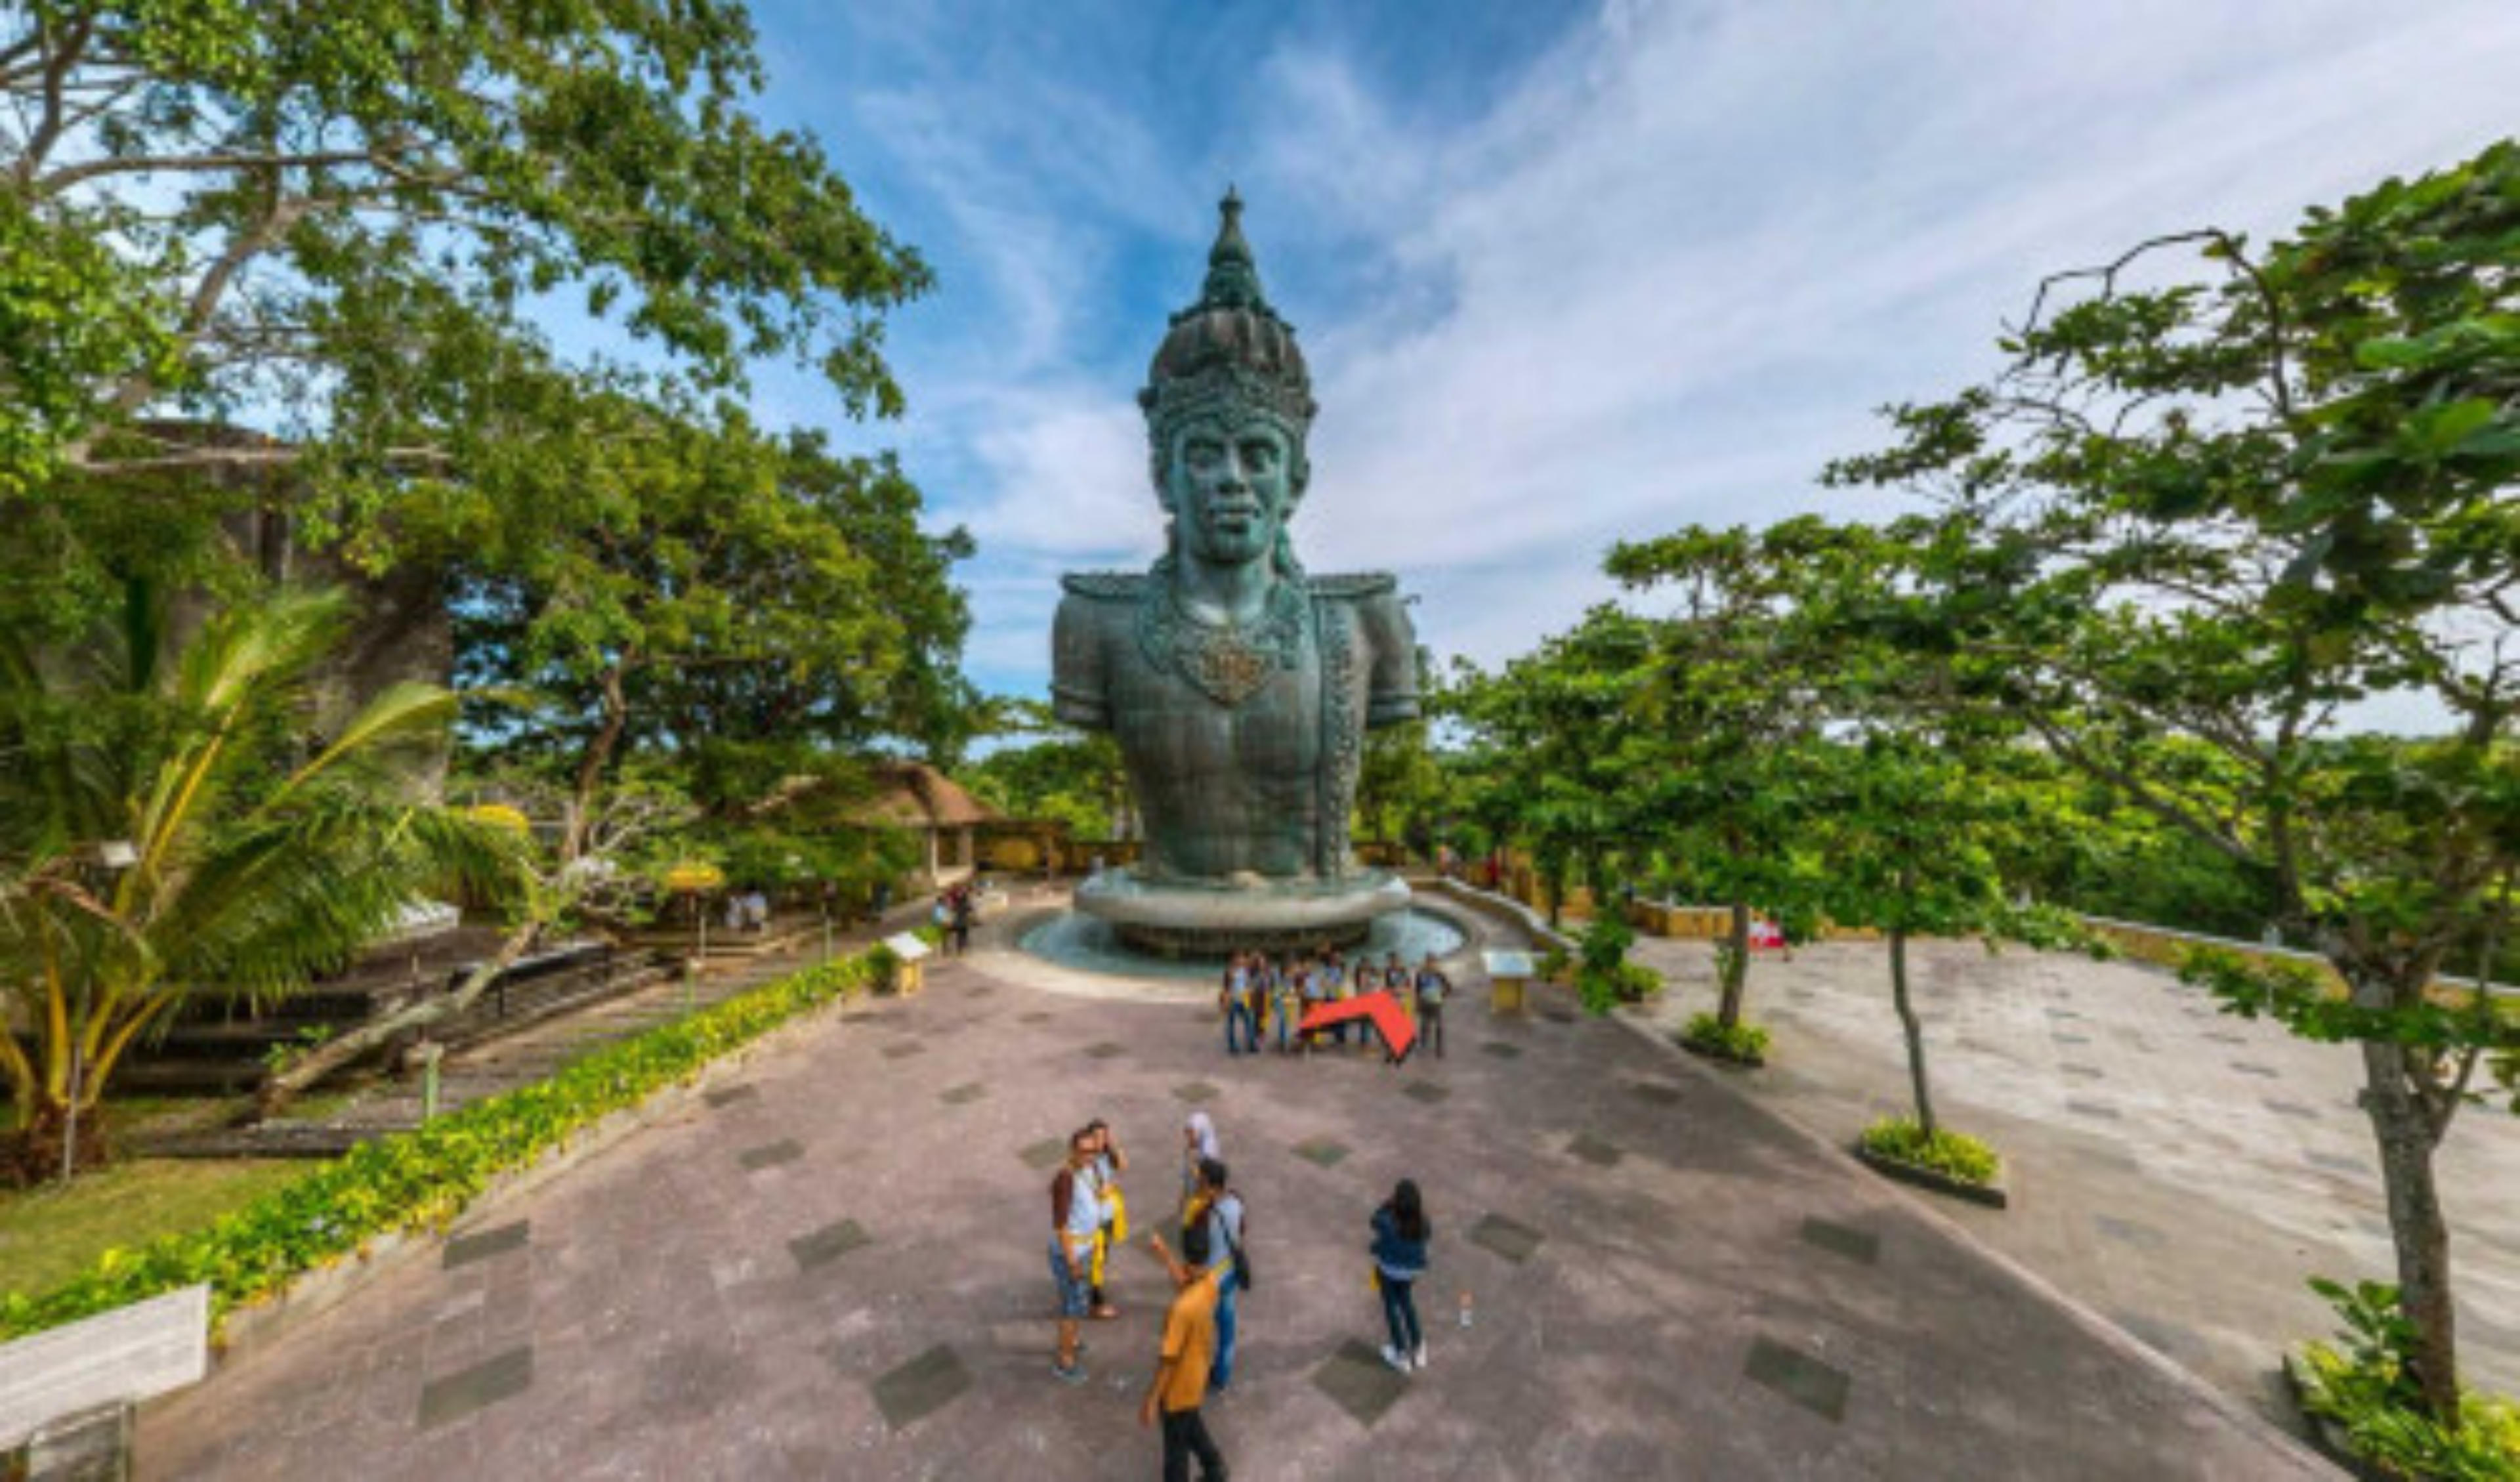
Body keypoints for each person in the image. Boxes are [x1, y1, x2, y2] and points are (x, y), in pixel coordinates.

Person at [1141, 1221, 1228, 1482]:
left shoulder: (1181, 1310)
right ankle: (1215, 1469)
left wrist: (1153, 1399)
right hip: (1198, 1375)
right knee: (1191, 1426)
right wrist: (1164, 1253)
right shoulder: (1211, 1282)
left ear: (1187, 1258)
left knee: (1176, 1454)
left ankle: (1214, 1469)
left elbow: (1169, 1359)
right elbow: (1184, 1280)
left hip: (1178, 1388)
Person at [1182, 1156, 1249, 1393]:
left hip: (1208, 1280)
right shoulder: (1237, 1201)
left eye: (1200, 1181)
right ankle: (1221, 1376)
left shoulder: (1203, 1215)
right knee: (1227, 1328)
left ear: (1211, 1185)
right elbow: (1241, 1234)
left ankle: (1196, 1374)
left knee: (1200, 1329)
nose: (1197, 1185)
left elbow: (1194, 1255)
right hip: (1230, 1272)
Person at [1048, 1128, 1102, 1384]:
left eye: (1093, 1150)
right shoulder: (1066, 1178)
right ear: (1072, 1151)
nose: (1089, 1155)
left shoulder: (1088, 1170)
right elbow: (1060, 1226)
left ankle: (1072, 1340)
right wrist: (1072, 1262)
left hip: (1085, 1248)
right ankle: (1065, 1361)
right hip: (1072, 1254)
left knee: (1074, 1302)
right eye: (1083, 1151)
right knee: (1072, 1308)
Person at [1370, 1179, 1432, 1373]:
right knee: (1406, 1303)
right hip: (1411, 1271)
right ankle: (1419, 1346)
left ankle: (1401, 1355)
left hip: (1388, 1270)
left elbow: (1373, 1220)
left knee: (1391, 1308)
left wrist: (1386, 1205)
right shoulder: (1423, 1223)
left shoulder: (1388, 1221)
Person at [1082, 1119, 1129, 1321]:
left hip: (1108, 1214)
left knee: (1101, 1257)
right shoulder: (1088, 1163)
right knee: (1097, 1259)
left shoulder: (1106, 1155)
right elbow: (1090, 1190)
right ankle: (1096, 1303)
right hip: (1095, 1219)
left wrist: (1114, 1146)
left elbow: (1124, 1165)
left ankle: (1091, 1289)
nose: (1102, 1141)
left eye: (1105, 1136)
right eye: (1098, 1137)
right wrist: (1105, 1190)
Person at [1180, 1112, 1219, 1217]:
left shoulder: (1209, 1152)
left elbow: (1202, 1179)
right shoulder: (1196, 1122)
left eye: (1191, 1135)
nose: (1189, 1139)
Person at [1414, 954, 1451, 1060]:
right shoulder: (1420, 974)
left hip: (1436, 1003)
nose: (1430, 964)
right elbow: (1417, 989)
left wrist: (1443, 996)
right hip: (1424, 1003)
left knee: (1439, 1026)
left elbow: (1448, 986)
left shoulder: (1439, 974)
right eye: (1429, 962)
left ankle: (1439, 1048)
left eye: (1432, 962)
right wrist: (1417, 1002)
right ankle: (1423, 1045)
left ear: (1435, 963)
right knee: (1424, 1025)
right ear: (1425, 962)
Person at [1219, 953, 1256, 1056]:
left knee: (1249, 1020)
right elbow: (1226, 986)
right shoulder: (1231, 971)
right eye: (1240, 959)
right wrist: (1225, 1001)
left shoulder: (1245, 971)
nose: (1242, 960)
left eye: (1243, 958)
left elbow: (1248, 983)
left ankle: (1251, 1043)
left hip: (1243, 1000)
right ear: (1235, 960)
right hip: (1233, 1000)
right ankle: (1233, 1045)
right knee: (1231, 1023)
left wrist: (1250, 990)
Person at [1269, 957, 1299, 1054]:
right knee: (1284, 1019)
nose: (1294, 969)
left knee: (1285, 1020)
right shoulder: (1279, 976)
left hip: (1285, 1000)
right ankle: (1285, 1044)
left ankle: (1283, 1041)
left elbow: (1291, 989)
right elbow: (1278, 990)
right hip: (1278, 999)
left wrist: (1292, 993)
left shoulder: (1290, 976)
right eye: (1292, 967)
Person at [950, 888, 975, 956]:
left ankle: (960, 950)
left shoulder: (956, 905)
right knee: (963, 935)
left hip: (958, 922)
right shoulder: (966, 904)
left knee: (959, 936)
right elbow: (971, 910)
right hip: (964, 922)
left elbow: (952, 911)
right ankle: (962, 947)